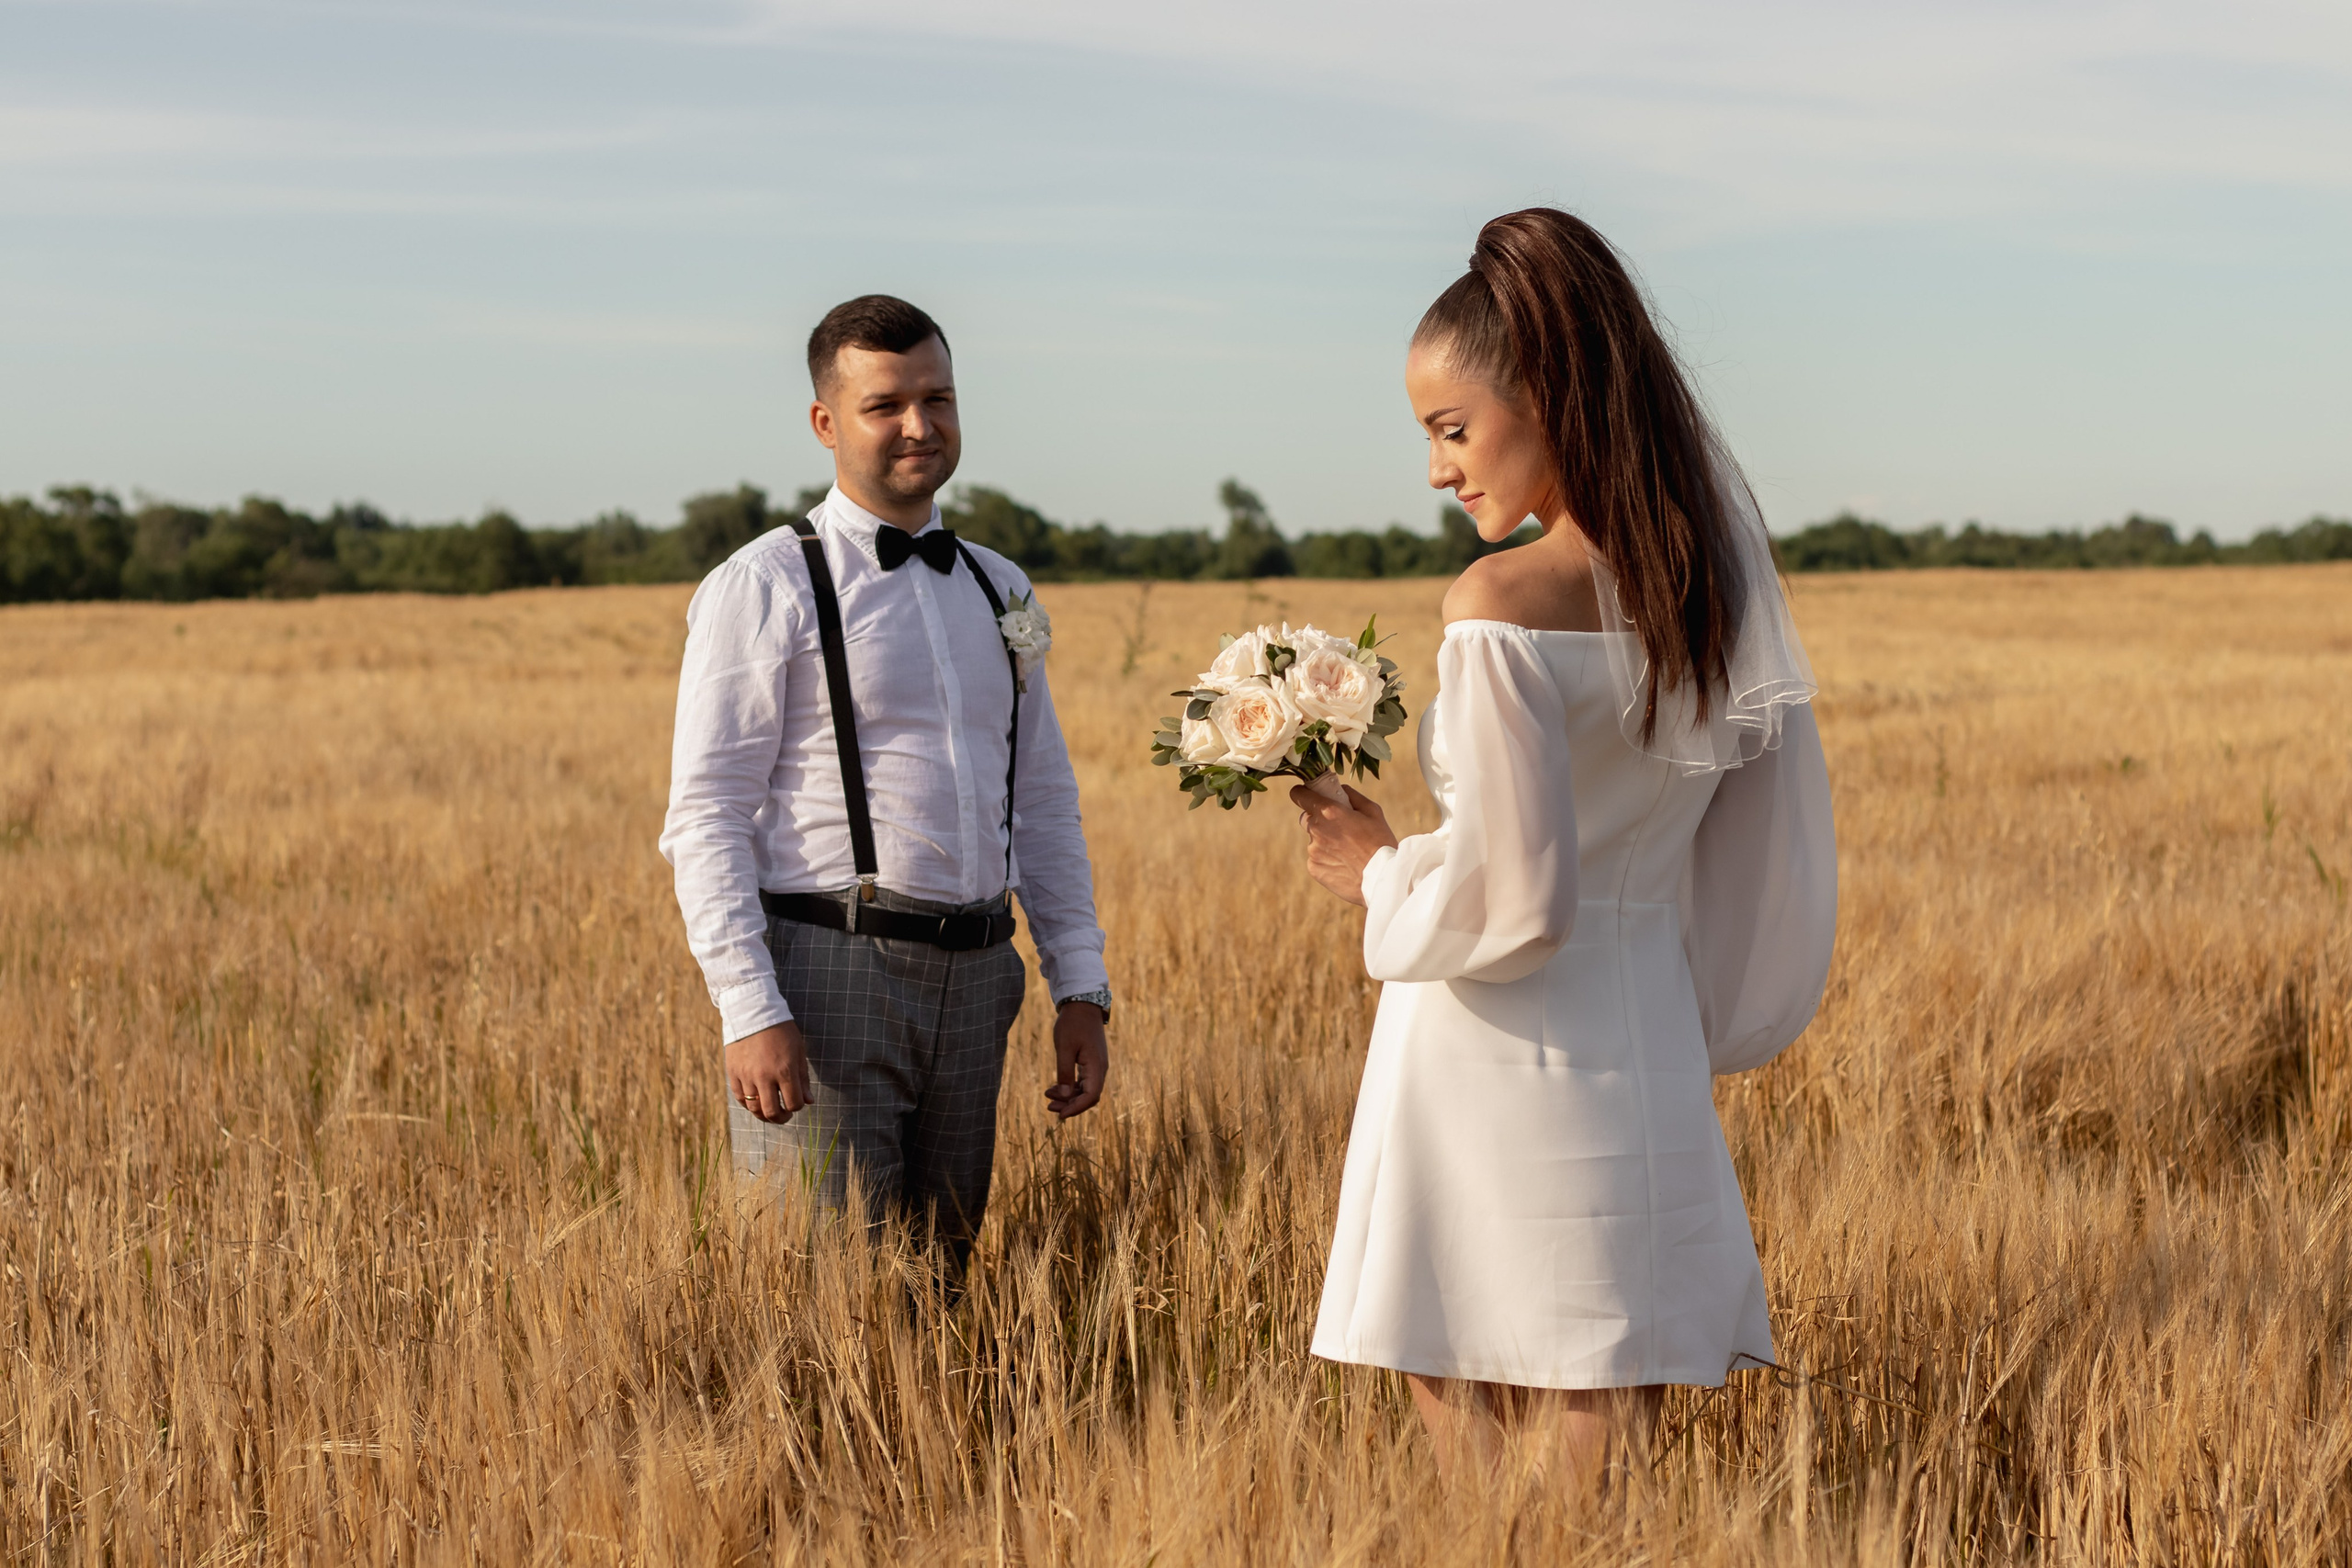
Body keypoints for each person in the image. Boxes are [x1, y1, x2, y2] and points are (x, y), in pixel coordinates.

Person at [1293, 209, 1838, 1487]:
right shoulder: (1711, 599)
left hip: (1489, 1047)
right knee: (1611, 1426)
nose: (1438, 468)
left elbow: (1518, 896)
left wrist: (1376, 867)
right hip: (1642, 1037)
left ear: (1550, 397)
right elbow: (1756, 852)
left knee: (1471, 1421)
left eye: (1452, 427)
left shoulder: (1496, 605)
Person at [660, 294, 1113, 1278]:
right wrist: (750, 1006)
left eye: (938, 397)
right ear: (825, 423)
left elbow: (1039, 797)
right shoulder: (767, 582)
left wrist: (1080, 984)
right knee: (827, 1297)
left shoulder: (1002, 586)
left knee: (942, 1281)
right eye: (885, 404)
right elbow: (705, 814)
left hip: (981, 974)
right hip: (829, 971)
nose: (920, 424)